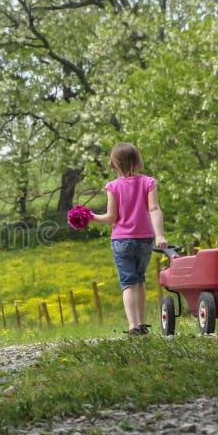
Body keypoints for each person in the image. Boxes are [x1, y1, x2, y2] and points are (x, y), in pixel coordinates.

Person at [90, 143, 167, 336]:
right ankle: (142, 324)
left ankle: (133, 326)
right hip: (145, 240)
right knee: (139, 281)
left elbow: (111, 218)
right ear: (138, 160)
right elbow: (154, 209)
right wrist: (160, 235)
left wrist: (91, 217)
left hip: (121, 241)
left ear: (114, 163)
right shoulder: (148, 182)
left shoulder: (112, 187)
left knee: (128, 283)